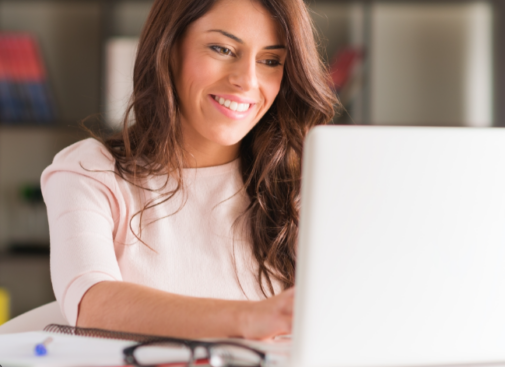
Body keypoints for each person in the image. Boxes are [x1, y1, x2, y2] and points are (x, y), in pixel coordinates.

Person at [41, 0, 336, 340]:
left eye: (270, 61)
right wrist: (250, 318)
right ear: (169, 49)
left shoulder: (303, 184)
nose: (247, 81)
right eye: (222, 49)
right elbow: (91, 304)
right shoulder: (89, 171)